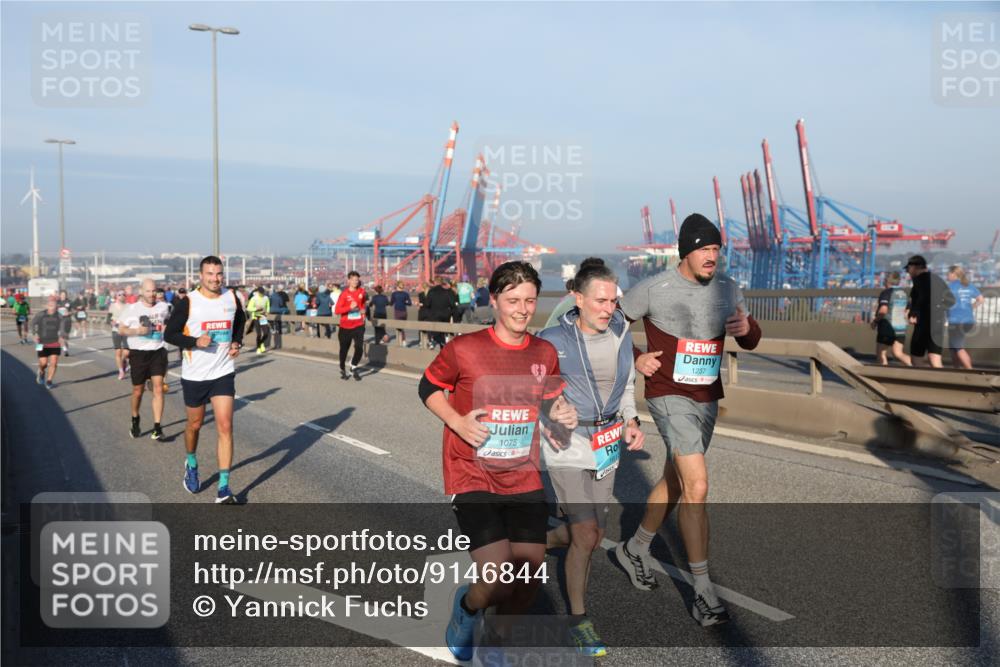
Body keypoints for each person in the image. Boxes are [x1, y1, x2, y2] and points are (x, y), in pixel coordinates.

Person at [419, 261, 578, 661]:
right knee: (495, 577)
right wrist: (456, 421)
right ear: (494, 301)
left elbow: (550, 400)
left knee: (525, 577)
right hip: (471, 472)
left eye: (530, 300)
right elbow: (428, 387)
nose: (523, 309)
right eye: (513, 300)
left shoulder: (543, 352)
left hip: (523, 476)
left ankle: (496, 646)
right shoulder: (465, 349)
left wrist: (561, 413)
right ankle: (468, 608)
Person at [615, 213, 762, 627]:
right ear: (687, 251)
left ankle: (635, 548)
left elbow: (749, 338)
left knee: (676, 481)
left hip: (706, 397)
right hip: (667, 394)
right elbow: (608, 326)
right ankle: (703, 593)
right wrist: (634, 357)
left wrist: (747, 327)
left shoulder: (728, 288)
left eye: (716, 249)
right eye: (704, 249)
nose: (712, 256)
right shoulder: (653, 289)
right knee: (697, 485)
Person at [538, 260, 644, 657]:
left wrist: (631, 420)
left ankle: (538, 543)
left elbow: (627, 384)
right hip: (566, 440)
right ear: (577, 298)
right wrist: (551, 411)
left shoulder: (620, 330)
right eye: (600, 300)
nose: (609, 308)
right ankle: (578, 620)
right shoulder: (550, 339)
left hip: (606, 439)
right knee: (585, 534)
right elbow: (534, 391)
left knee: (595, 532)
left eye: (613, 301)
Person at [164, 256, 246, 504]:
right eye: (210, 274)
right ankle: (191, 462)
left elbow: (240, 320)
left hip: (222, 371)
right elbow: (170, 334)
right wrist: (194, 342)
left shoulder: (231, 298)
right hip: (194, 375)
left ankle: (223, 488)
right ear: (201, 276)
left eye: (219, 273)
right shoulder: (189, 302)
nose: (215, 278)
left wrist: (236, 341)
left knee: (225, 425)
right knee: (195, 425)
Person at [118, 279, 170, 441]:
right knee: (138, 391)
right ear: (141, 291)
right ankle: (135, 419)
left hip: (158, 351)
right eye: (148, 291)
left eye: (154, 291)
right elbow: (121, 329)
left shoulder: (163, 307)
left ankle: (157, 427)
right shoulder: (132, 309)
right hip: (139, 353)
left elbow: (167, 322)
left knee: (158, 388)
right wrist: (137, 331)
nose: (152, 294)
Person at [905, 255, 954, 369]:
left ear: (915, 267)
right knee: (934, 358)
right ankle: (944, 383)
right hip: (937, 323)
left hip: (923, 324)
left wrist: (914, 314)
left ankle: (921, 382)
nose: (908, 272)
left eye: (909, 269)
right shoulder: (937, 279)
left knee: (916, 358)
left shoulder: (919, 280)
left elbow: (921, 298)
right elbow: (951, 300)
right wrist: (938, 309)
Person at [946, 265, 984, 370]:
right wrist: (972, 307)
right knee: (953, 347)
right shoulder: (968, 285)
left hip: (956, 321)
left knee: (958, 347)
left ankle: (970, 370)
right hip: (969, 320)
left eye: (948, 273)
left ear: (954, 274)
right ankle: (956, 369)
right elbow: (980, 299)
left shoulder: (950, 287)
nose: (947, 276)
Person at [872, 271, 912, 367]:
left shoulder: (886, 293)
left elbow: (883, 310)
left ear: (887, 281)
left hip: (888, 327)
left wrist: (875, 321)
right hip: (901, 328)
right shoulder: (904, 293)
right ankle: (918, 367)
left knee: (881, 353)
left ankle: (883, 376)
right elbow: (907, 311)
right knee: (898, 353)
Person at [334, 271, 367, 380]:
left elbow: (363, 305)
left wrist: (363, 312)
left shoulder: (362, 291)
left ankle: (353, 367)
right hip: (345, 326)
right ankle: (342, 368)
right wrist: (349, 308)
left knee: (359, 348)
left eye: (357, 280)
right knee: (344, 350)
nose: (355, 282)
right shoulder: (344, 294)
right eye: (353, 280)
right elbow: (337, 310)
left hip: (358, 324)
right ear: (348, 281)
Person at [32, 296, 66, 389]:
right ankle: (41, 372)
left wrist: (62, 336)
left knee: (54, 362)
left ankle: (49, 380)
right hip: (40, 342)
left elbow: (62, 328)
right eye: (49, 303)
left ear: (56, 305)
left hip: (55, 342)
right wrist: (35, 334)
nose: (51, 304)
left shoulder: (59, 316)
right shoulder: (40, 314)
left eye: (53, 303)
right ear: (46, 305)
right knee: (43, 363)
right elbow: (33, 323)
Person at [425, 277, 456, 349]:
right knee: (443, 331)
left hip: (434, 315)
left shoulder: (431, 291)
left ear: (435, 282)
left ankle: (434, 341)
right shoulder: (448, 291)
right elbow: (452, 304)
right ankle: (442, 345)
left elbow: (427, 304)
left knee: (435, 331)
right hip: (445, 315)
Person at [108, 291, 131, 380]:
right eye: (119, 294)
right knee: (118, 352)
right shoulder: (112, 306)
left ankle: (124, 360)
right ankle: (121, 371)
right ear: (116, 296)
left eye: (123, 295)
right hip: (116, 330)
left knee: (126, 352)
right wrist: (113, 322)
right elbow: (108, 318)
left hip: (126, 330)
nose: (121, 296)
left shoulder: (129, 306)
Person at [246, 287, 271, 354]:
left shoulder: (266, 298)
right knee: (259, 334)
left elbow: (268, 305)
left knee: (266, 333)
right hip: (256, 317)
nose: (262, 294)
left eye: (263, 293)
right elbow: (248, 308)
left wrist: (267, 311)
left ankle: (261, 343)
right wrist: (256, 308)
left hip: (263, 317)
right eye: (261, 293)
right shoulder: (254, 298)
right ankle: (258, 347)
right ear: (258, 292)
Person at [390, 282, 412, 347]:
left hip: (397, 311)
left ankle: (400, 341)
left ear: (397, 287)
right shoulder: (406, 294)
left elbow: (391, 303)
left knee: (398, 327)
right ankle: (404, 341)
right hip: (404, 312)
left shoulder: (394, 294)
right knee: (402, 327)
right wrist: (404, 302)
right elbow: (410, 304)